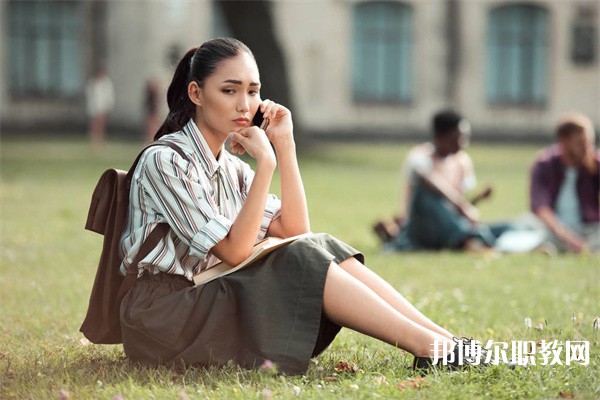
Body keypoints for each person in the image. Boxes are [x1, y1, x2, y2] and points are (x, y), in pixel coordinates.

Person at [118, 38, 488, 375]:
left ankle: (446, 342)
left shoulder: (230, 167)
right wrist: (266, 164)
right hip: (163, 318)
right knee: (300, 256)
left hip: (204, 296)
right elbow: (233, 251)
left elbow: (298, 233)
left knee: (322, 244)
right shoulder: (166, 160)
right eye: (229, 91)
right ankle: (433, 348)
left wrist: (285, 145)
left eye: (253, 91)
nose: (244, 105)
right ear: (196, 93)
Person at [386, 110, 509, 251]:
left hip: (451, 225)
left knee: (513, 226)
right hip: (424, 227)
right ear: (440, 136)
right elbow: (428, 181)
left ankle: (470, 238)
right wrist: (461, 205)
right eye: (458, 138)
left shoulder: (462, 161)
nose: (463, 144)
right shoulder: (420, 156)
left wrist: (478, 199)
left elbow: (459, 209)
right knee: (425, 194)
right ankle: (472, 238)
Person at [529, 113, 599, 253]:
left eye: (589, 143)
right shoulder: (544, 165)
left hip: (587, 228)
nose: (587, 149)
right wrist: (568, 237)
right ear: (563, 142)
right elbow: (541, 208)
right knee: (530, 231)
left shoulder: (595, 164)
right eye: (581, 144)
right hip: (554, 229)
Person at [86, 66, 115, 148]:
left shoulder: (106, 83)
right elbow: (90, 96)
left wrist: (108, 106)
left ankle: (101, 141)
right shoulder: (92, 82)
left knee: (102, 125)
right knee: (94, 125)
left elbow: (109, 95)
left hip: (103, 107)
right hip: (94, 107)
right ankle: (94, 141)